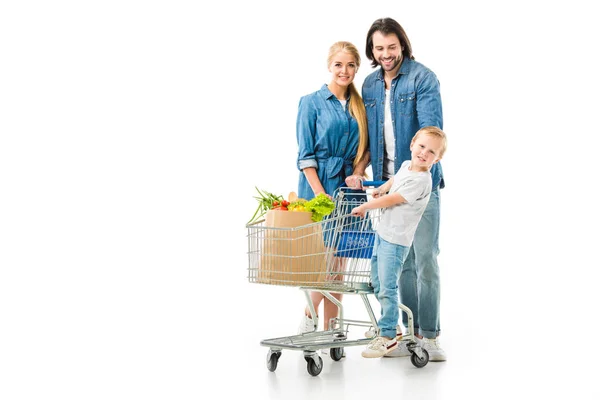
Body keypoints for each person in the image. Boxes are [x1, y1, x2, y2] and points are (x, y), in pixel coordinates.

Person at [345, 17, 447, 360]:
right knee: (399, 264)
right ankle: (404, 332)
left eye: (391, 47)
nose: (386, 54)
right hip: (384, 185)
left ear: (402, 44)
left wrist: (413, 175)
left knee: (425, 261)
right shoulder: (371, 84)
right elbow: (372, 138)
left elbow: (432, 135)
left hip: (418, 186)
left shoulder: (422, 78)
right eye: (379, 48)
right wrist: (361, 170)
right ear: (371, 51)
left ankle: (429, 335)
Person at [295, 41, 369, 345]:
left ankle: (333, 328)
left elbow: (365, 151)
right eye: (339, 65)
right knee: (325, 261)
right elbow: (305, 156)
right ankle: (308, 318)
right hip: (320, 188)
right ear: (329, 65)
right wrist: (320, 195)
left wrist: (359, 173)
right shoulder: (311, 102)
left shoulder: (360, 106)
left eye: (351, 65)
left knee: (341, 264)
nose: (345, 71)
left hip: (350, 190)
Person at [351, 126, 446, 358]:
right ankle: (388, 323)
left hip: (396, 242)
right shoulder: (406, 166)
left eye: (431, 152)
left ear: (438, 159)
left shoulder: (423, 180)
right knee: (377, 282)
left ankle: (387, 336)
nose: (424, 153)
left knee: (388, 285)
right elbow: (395, 181)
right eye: (422, 146)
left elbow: (393, 200)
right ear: (412, 143)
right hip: (383, 234)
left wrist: (365, 206)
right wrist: (382, 187)